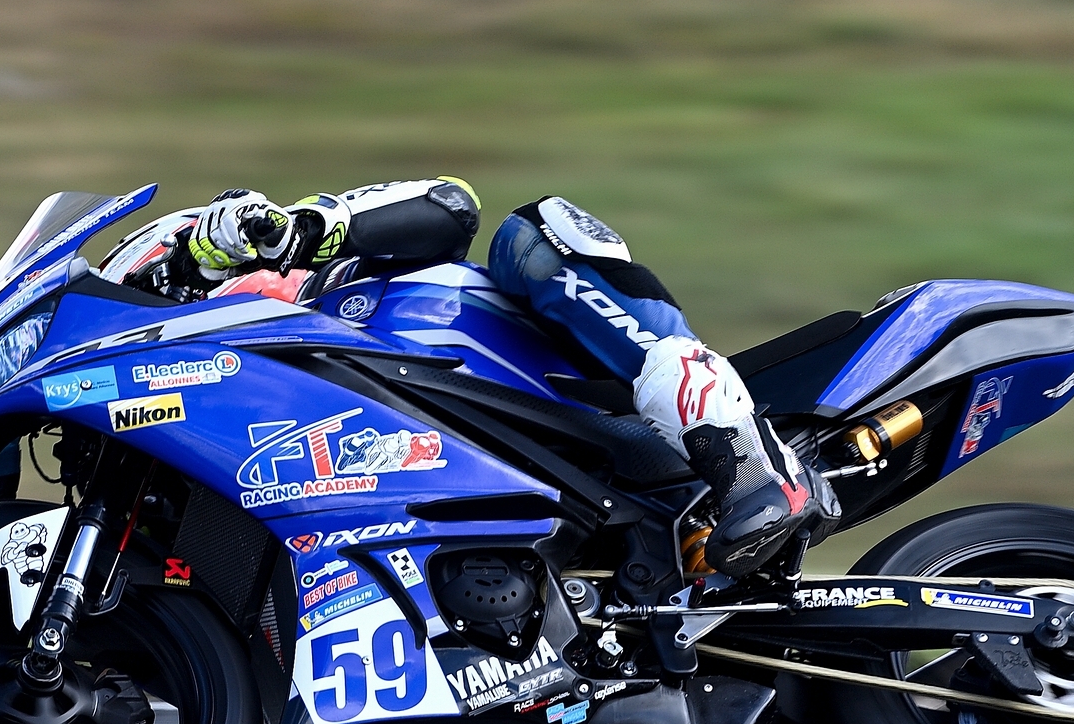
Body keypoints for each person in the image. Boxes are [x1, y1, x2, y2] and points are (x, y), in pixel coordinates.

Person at [112, 178, 839, 576]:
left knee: (533, 234)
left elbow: (450, 202)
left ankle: (752, 464)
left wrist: (303, 229)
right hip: (504, 512)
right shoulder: (255, 446)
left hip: (589, 405)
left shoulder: (344, 280)